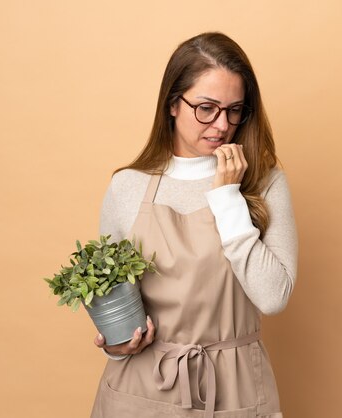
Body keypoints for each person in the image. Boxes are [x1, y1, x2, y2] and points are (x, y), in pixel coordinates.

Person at [90, 32, 298, 418]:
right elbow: (111, 294)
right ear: (172, 103)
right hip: (142, 390)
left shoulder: (265, 182)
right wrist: (116, 343)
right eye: (206, 108)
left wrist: (227, 197)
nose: (222, 125)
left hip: (236, 390)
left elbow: (273, 297)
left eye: (235, 110)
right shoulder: (128, 186)